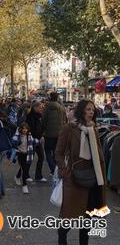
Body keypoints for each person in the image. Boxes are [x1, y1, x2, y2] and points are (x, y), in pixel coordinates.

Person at [55, 99, 107, 245]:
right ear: (81, 110)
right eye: (88, 109)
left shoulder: (94, 129)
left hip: (92, 180)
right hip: (75, 179)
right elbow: (58, 153)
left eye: (93, 110)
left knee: (87, 222)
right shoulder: (69, 128)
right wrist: (65, 172)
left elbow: (98, 155)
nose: (91, 112)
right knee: (68, 221)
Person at [42, 92, 67, 175]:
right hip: (59, 133)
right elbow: (65, 120)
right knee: (56, 152)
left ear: (50, 97)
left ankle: (53, 169)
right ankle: (55, 168)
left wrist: (42, 131)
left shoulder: (46, 107)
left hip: (49, 134)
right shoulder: (61, 108)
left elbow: (44, 120)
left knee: (48, 151)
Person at [12, 123, 39, 194]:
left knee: (24, 168)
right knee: (24, 170)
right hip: (20, 154)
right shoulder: (17, 136)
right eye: (23, 128)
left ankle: (17, 177)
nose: (24, 130)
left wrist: (38, 141)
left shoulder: (29, 136)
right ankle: (24, 186)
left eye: (26, 128)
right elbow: (14, 142)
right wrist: (17, 135)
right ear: (20, 129)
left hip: (27, 154)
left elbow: (33, 141)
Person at [26, 100, 47, 182]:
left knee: (41, 157)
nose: (41, 109)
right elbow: (31, 128)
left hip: (38, 139)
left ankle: (38, 175)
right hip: (32, 139)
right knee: (30, 158)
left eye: (42, 107)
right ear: (35, 107)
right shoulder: (30, 116)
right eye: (40, 107)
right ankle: (26, 174)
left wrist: (42, 136)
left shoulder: (40, 116)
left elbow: (41, 127)